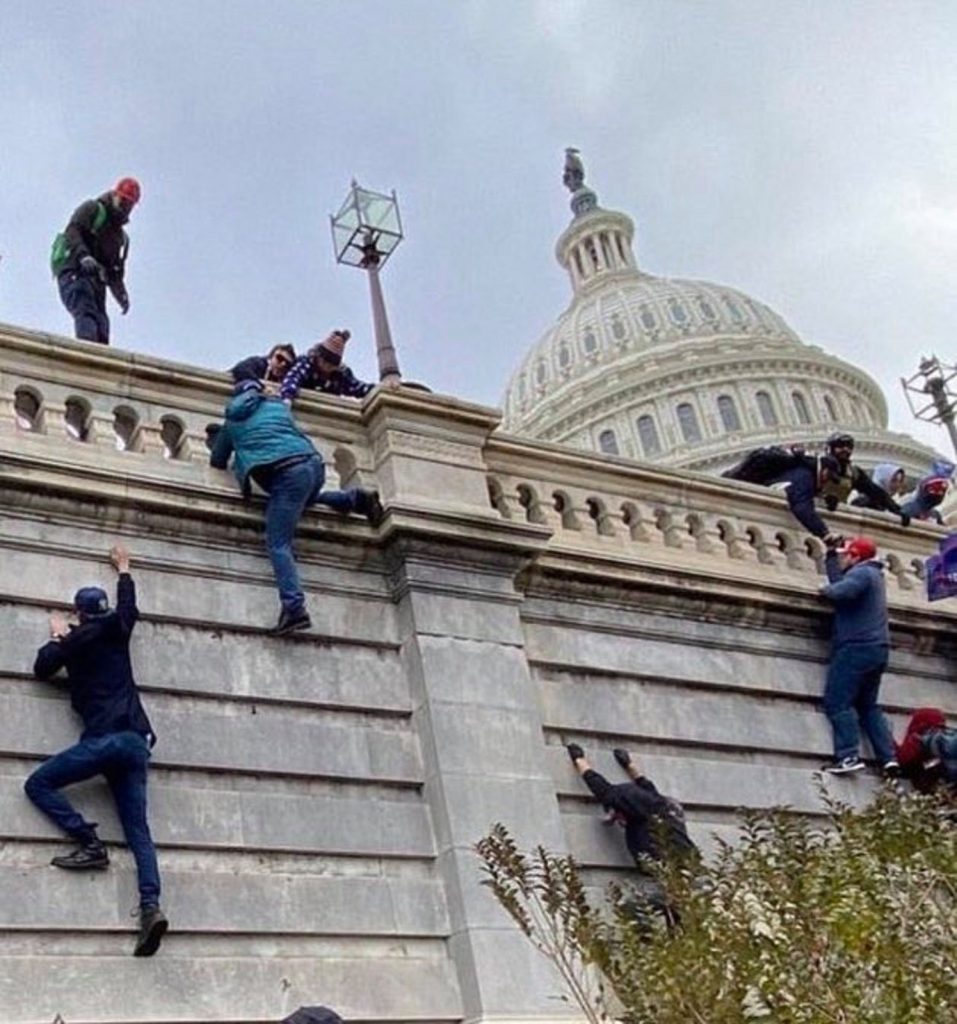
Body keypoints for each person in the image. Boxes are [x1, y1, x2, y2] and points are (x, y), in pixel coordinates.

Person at [23, 543, 168, 957]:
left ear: (80, 613)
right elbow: (129, 606)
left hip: (103, 742)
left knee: (38, 784)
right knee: (139, 832)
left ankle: (89, 842)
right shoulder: (117, 628)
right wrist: (124, 570)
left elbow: (41, 668)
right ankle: (150, 907)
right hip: (136, 743)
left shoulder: (77, 638)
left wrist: (57, 635)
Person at [209, 379, 384, 634]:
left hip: (286, 474)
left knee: (278, 542)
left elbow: (217, 460)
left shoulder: (232, 420)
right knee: (303, 501)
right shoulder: (276, 406)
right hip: (312, 465)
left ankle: (294, 608)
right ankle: (357, 499)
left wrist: (225, 444)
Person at [723, 433, 908, 544]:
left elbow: (874, 491)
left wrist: (897, 510)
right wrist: (824, 533)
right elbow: (801, 507)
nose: (844, 450)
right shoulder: (803, 475)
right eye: (839, 447)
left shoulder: (852, 473)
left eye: (848, 447)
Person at [818, 535, 898, 775]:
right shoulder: (873, 575)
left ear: (855, 557)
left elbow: (842, 590)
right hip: (877, 648)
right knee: (868, 705)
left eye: (845, 555)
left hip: (856, 647)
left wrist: (825, 590)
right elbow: (843, 580)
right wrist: (830, 555)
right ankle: (888, 758)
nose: (843, 559)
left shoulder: (863, 574)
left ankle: (848, 756)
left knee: (838, 702)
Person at [566, 743, 697, 866]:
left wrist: (579, 760)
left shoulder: (628, 796)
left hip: (666, 872)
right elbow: (646, 784)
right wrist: (629, 764)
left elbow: (602, 789)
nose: (620, 823)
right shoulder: (658, 803)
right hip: (689, 866)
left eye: (616, 815)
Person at [51, 177, 141, 345]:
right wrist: (84, 255)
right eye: (123, 201)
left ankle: (101, 361)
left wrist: (120, 293)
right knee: (86, 311)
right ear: (115, 195)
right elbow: (73, 231)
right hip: (75, 271)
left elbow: (114, 272)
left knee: (102, 323)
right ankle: (86, 358)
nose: (125, 207)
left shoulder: (120, 238)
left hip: (96, 280)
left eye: (129, 204)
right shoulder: (93, 209)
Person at [279, 330, 375, 402]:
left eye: (331, 364)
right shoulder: (307, 362)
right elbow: (294, 376)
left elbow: (357, 387)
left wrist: (376, 389)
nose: (326, 366)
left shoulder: (341, 375)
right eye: (324, 361)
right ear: (319, 356)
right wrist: (287, 397)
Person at [230, 343, 297, 385]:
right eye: (280, 358)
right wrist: (261, 386)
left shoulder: (286, 380)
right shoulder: (258, 363)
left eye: (287, 364)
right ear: (270, 357)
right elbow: (241, 369)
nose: (283, 364)